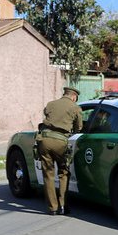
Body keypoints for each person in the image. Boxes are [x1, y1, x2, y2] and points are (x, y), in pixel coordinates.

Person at [38, 86, 82, 215]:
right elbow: (79, 127)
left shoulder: (51, 104)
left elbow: (46, 114)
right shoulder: (75, 108)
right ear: (74, 97)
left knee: (48, 174)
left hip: (44, 140)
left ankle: (52, 208)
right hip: (60, 141)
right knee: (63, 172)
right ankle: (63, 206)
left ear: (65, 94)